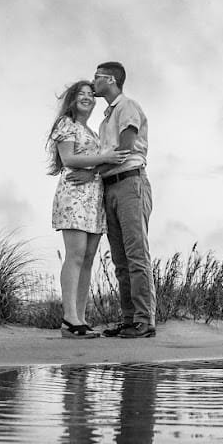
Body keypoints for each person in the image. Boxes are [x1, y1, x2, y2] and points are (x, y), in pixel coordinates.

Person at [67, 61, 154, 338]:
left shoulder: (127, 106)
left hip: (130, 183)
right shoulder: (105, 119)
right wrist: (97, 176)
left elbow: (126, 149)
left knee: (136, 255)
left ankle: (144, 320)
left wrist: (91, 173)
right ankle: (129, 320)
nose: (93, 83)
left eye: (97, 77)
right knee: (120, 259)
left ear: (112, 80)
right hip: (111, 188)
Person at [47, 79, 129, 338]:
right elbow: (69, 159)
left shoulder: (92, 132)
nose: (86, 97)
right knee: (75, 255)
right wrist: (104, 158)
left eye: (89, 94)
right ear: (71, 100)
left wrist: (99, 165)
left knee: (88, 258)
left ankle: (79, 318)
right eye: (80, 94)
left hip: (94, 198)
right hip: (73, 196)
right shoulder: (66, 125)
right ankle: (69, 319)